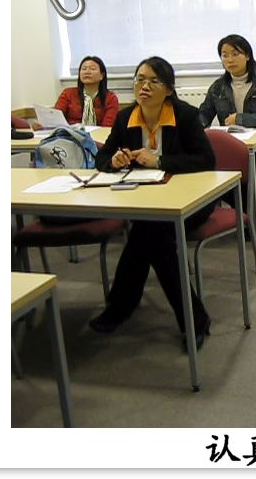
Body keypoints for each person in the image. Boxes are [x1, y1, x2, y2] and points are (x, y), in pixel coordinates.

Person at [89, 56, 216, 350]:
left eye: (153, 81)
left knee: (149, 233)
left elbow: (206, 160)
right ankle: (193, 319)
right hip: (148, 201)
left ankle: (120, 307)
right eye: (139, 79)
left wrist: (160, 161)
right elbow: (102, 157)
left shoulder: (185, 115)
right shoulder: (126, 118)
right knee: (153, 234)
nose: (144, 86)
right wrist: (114, 161)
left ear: (169, 89)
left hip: (192, 201)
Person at [199, 34, 256, 236]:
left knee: (245, 179)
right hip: (229, 152)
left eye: (235, 54)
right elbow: (204, 114)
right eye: (224, 55)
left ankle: (251, 222)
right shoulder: (217, 87)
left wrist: (241, 119)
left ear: (247, 56)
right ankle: (251, 219)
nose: (229, 60)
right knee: (206, 174)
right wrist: (193, 127)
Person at [53, 55, 119, 126]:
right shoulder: (68, 94)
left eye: (92, 69)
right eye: (84, 69)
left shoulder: (111, 98)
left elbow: (108, 126)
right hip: (71, 132)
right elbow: (55, 118)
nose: (87, 72)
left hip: (100, 132)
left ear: (102, 75)